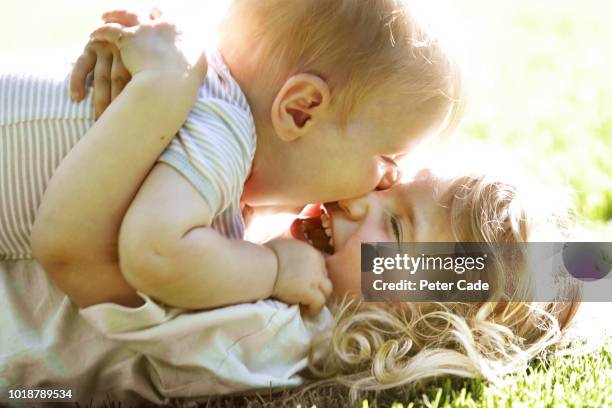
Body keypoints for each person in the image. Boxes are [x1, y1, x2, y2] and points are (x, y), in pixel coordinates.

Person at [0, 1, 462, 314]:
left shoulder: (216, 103)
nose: (386, 180)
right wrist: (273, 270)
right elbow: (155, 251)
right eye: (387, 157)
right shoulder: (224, 132)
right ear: (300, 111)